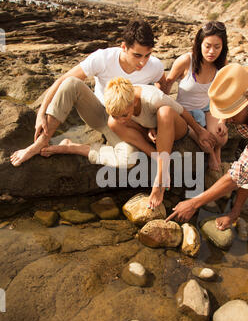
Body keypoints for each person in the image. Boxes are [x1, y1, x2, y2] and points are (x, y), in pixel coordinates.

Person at [39, 77, 216, 209]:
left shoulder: (152, 97)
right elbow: (127, 122)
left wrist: (199, 131)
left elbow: (182, 112)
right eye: (116, 114)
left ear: (134, 101)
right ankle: (156, 157)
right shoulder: (119, 113)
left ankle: (161, 174)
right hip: (151, 134)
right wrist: (139, 126)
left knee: (165, 112)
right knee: (112, 124)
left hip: (175, 128)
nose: (122, 119)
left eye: (124, 114)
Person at [10, 19, 167, 168]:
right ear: (124, 47)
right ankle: (41, 142)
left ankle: (72, 148)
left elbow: (163, 83)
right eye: (137, 55)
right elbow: (62, 80)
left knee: (129, 159)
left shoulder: (155, 66)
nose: (143, 62)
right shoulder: (103, 58)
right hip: (98, 113)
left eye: (147, 55)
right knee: (72, 83)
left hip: (127, 125)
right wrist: (41, 113)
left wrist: (153, 122)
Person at [166, 63, 248, 231]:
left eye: (230, 114)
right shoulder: (246, 88)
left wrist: (194, 203)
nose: (226, 120)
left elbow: (241, 172)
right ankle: (235, 212)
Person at [164, 21, 228, 171]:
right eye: (208, 46)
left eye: (217, 47)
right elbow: (167, 86)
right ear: (199, 44)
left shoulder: (222, 64)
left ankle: (217, 150)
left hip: (207, 108)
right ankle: (212, 154)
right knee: (206, 145)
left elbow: (225, 95)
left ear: (223, 47)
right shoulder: (186, 61)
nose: (212, 51)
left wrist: (222, 121)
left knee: (221, 138)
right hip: (184, 111)